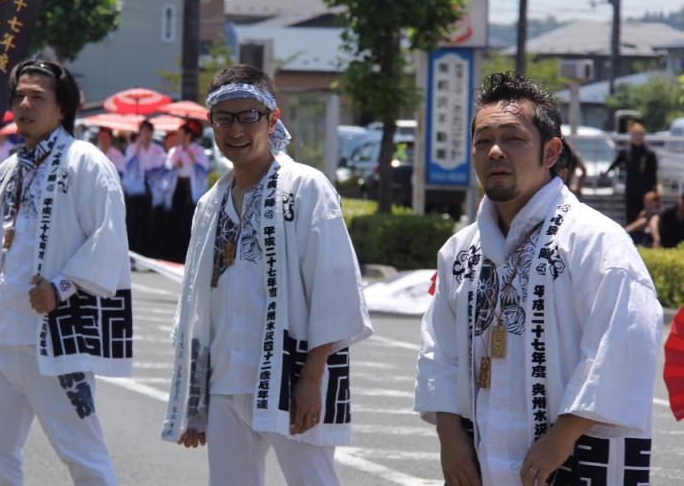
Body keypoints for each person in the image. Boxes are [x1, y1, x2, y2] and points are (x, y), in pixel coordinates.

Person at [414, 72, 663, 486]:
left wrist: (563, 435)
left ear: (551, 152)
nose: (494, 151)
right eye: (482, 141)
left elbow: (622, 344)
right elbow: (438, 349)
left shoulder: (595, 240)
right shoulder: (460, 251)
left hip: (575, 453)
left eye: (512, 138)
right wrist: (450, 435)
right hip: (482, 450)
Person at [163, 65, 372, 486]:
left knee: (313, 480)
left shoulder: (305, 188)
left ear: (272, 119)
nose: (236, 130)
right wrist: (195, 400)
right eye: (224, 118)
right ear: (211, 123)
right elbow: (197, 305)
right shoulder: (211, 203)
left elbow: (333, 288)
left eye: (248, 116)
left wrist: (313, 377)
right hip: (226, 377)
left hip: (289, 371)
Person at [0, 59, 132, 486]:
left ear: (62, 109)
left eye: (38, 97)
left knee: (83, 456)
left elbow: (108, 242)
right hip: (2, 333)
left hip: (54, 338)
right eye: (19, 96)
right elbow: (7, 242)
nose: (25, 105)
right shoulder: (10, 168)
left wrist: (62, 288)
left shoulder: (88, 163)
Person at [165, 120, 210, 263]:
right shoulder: (175, 151)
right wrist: (174, 164)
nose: (179, 137)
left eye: (181, 134)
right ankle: (174, 253)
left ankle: (188, 255)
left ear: (188, 135)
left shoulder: (198, 150)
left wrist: (193, 159)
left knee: (189, 221)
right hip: (178, 186)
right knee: (176, 219)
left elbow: (205, 169)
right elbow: (166, 168)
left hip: (191, 189)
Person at [122, 120, 164, 255]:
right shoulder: (132, 148)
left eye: (149, 132)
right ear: (139, 133)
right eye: (143, 132)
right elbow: (128, 167)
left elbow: (159, 168)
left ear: (152, 134)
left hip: (151, 188)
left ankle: (147, 251)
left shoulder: (158, 150)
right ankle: (132, 252)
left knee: (149, 221)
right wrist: (137, 151)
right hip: (135, 189)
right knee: (133, 220)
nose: (146, 135)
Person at [606, 122, 658, 224]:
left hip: (645, 190)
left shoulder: (649, 153)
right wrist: (606, 173)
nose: (638, 137)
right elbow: (616, 163)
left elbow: (653, 172)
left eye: (640, 134)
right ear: (631, 136)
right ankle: (632, 235)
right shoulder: (627, 151)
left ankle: (642, 237)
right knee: (630, 215)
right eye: (635, 134)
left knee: (643, 215)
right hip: (631, 189)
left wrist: (654, 189)